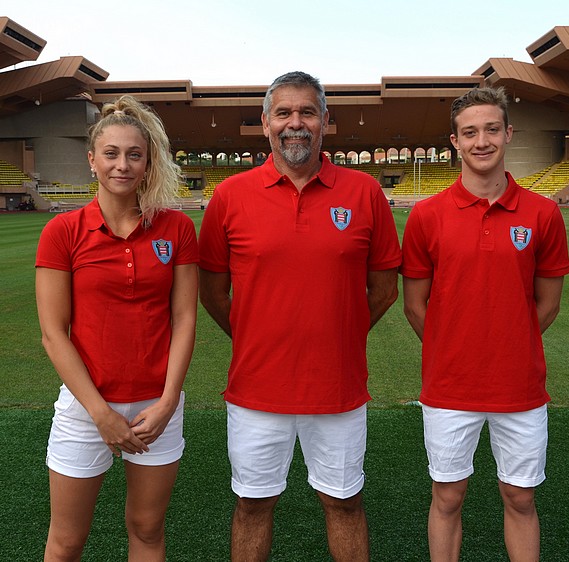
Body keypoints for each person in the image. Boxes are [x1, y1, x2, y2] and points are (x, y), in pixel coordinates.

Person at [197, 71, 402, 562]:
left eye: (307, 112)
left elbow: (384, 289)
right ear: (266, 123)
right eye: (284, 113)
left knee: (344, 502)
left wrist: (339, 333)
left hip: (337, 386)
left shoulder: (364, 193)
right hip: (256, 389)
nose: (296, 124)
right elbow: (212, 292)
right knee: (252, 503)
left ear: (326, 122)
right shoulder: (230, 196)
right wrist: (254, 336)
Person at [401, 87, 569, 562]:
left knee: (520, 497)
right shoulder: (426, 215)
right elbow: (415, 306)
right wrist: (454, 347)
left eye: (491, 129)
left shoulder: (543, 213)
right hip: (449, 386)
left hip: (519, 387)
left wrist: (507, 346)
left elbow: (548, 305)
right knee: (448, 497)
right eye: (470, 132)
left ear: (508, 134)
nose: (482, 141)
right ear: (454, 141)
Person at [35, 95, 198, 561]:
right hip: (87, 406)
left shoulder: (177, 229)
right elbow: (53, 332)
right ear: (92, 160)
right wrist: (101, 414)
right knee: (67, 540)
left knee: (147, 530)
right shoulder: (63, 231)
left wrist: (168, 401)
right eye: (111, 153)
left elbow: (185, 317)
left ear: (147, 164)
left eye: (134, 155)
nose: (122, 165)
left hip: (157, 408)